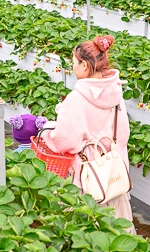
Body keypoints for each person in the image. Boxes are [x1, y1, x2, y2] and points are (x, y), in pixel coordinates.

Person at [40, 35, 132, 225]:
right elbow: (123, 134)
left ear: (84, 65)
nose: (72, 67)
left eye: (74, 62)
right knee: (114, 230)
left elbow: (64, 141)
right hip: (112, 173)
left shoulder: (77, 99)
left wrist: (48, 129)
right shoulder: (116, 92)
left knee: (87, 229)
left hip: (88, 177)